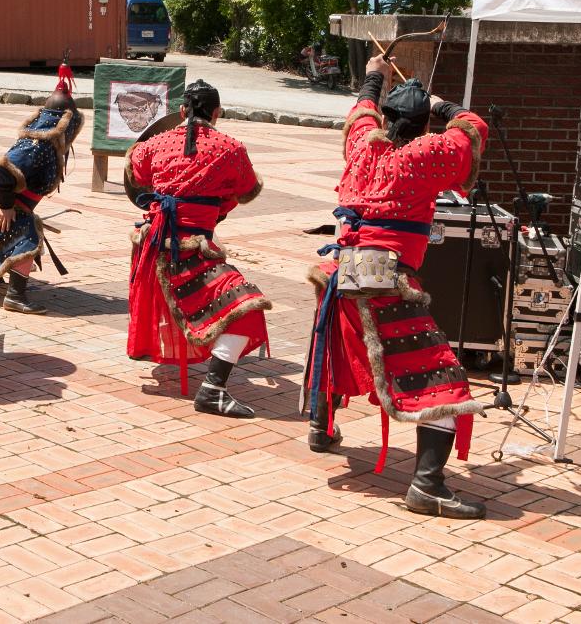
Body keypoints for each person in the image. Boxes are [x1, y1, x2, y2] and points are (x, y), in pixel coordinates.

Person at [305, 54, 489, 519]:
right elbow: (472, 132)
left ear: (388, 119)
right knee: (442, 376)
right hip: (385, 281)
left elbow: (360, 114)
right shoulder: (424, 154)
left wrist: (374, 75)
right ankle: (428, 486)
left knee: (340, 347)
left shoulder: (365, 146)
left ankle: (321, 429)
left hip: (342, 271)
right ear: (422, 124)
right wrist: (446, 107)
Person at [125, 80, 272, 418]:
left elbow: (136, 173)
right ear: (217, 113)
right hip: (190, 251)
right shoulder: (231, 148)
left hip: (152, 246)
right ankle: (213, 390)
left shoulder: (155, 143)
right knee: (246, 306)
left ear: (181, 111)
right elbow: (247, 189)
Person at [0, 73, 82, 314]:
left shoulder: (43, 143)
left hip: (2, 201)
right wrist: (6, 207)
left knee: (22, 226)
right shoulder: (37, 146)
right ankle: (15, 295)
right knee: (29, 237)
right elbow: (2, 171)